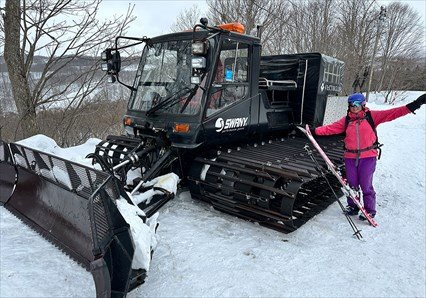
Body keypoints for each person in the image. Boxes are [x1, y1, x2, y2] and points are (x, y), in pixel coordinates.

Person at [313, 93, 425, 220]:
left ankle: (369, 209)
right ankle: (354, 206)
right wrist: (313, 131)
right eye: (351, 105)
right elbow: (330, 128)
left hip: (367, 157)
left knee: (366, 184)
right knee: (352, 184)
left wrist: (415, 105)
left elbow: (393, 113)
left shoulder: (372, 116)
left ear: (363, 105)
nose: (354, 107)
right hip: (350, 157)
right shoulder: (346, 120)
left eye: (356, 105)